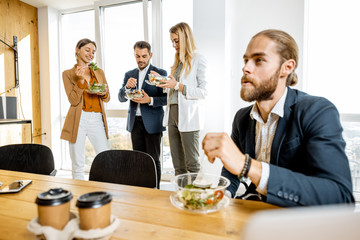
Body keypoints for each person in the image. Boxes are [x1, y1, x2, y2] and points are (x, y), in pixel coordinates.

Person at [202, 29, 355, 207]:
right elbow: (232, 170)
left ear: (287, 68)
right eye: (246, 60)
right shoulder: (242, 118)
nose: (246, 68)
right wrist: (221, 197)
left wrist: (247, 166)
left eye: (259, 60)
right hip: (253, 213)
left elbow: (340, 197)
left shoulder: (317, 111)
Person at [157, 22, 208, 175]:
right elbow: (174, 88)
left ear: (186, 38)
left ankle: (193, 197)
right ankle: (181, 195)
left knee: (192, 163)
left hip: (188, 115)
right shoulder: (177, 61)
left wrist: (177, 85)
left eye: (176, 41)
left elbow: (203, 92)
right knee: (177, 163)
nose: (173, 44)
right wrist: (163, 81)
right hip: (172, 113)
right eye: (172, 41)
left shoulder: (199, 59)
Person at [118, 41, 167, 186]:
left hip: (153, 123)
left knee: (154, 159)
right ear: (134, 55)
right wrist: (126, 88)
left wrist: (150, 100)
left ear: (150, 55)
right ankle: (141, 189)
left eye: (144, 56)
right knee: (138, 159)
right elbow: (120, 97)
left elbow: (166, 99)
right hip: (135, 123)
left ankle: (155, 189)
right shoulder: (129, 74)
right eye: (138, 56)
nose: (141, 59)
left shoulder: (160, 73)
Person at [61, 38, 110, 180]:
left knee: (105, 158)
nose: (90, 54)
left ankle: (105, 192)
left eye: (93, 52)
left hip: (96, 118)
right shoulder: (68, 74)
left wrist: (103, 93)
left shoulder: (99, 72)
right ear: (77, 49)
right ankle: (78, 196)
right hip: (79, 119)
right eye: (87, 50)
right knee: (78, 164)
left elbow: (107, 97)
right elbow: (73, 100)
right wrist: (81, 80)